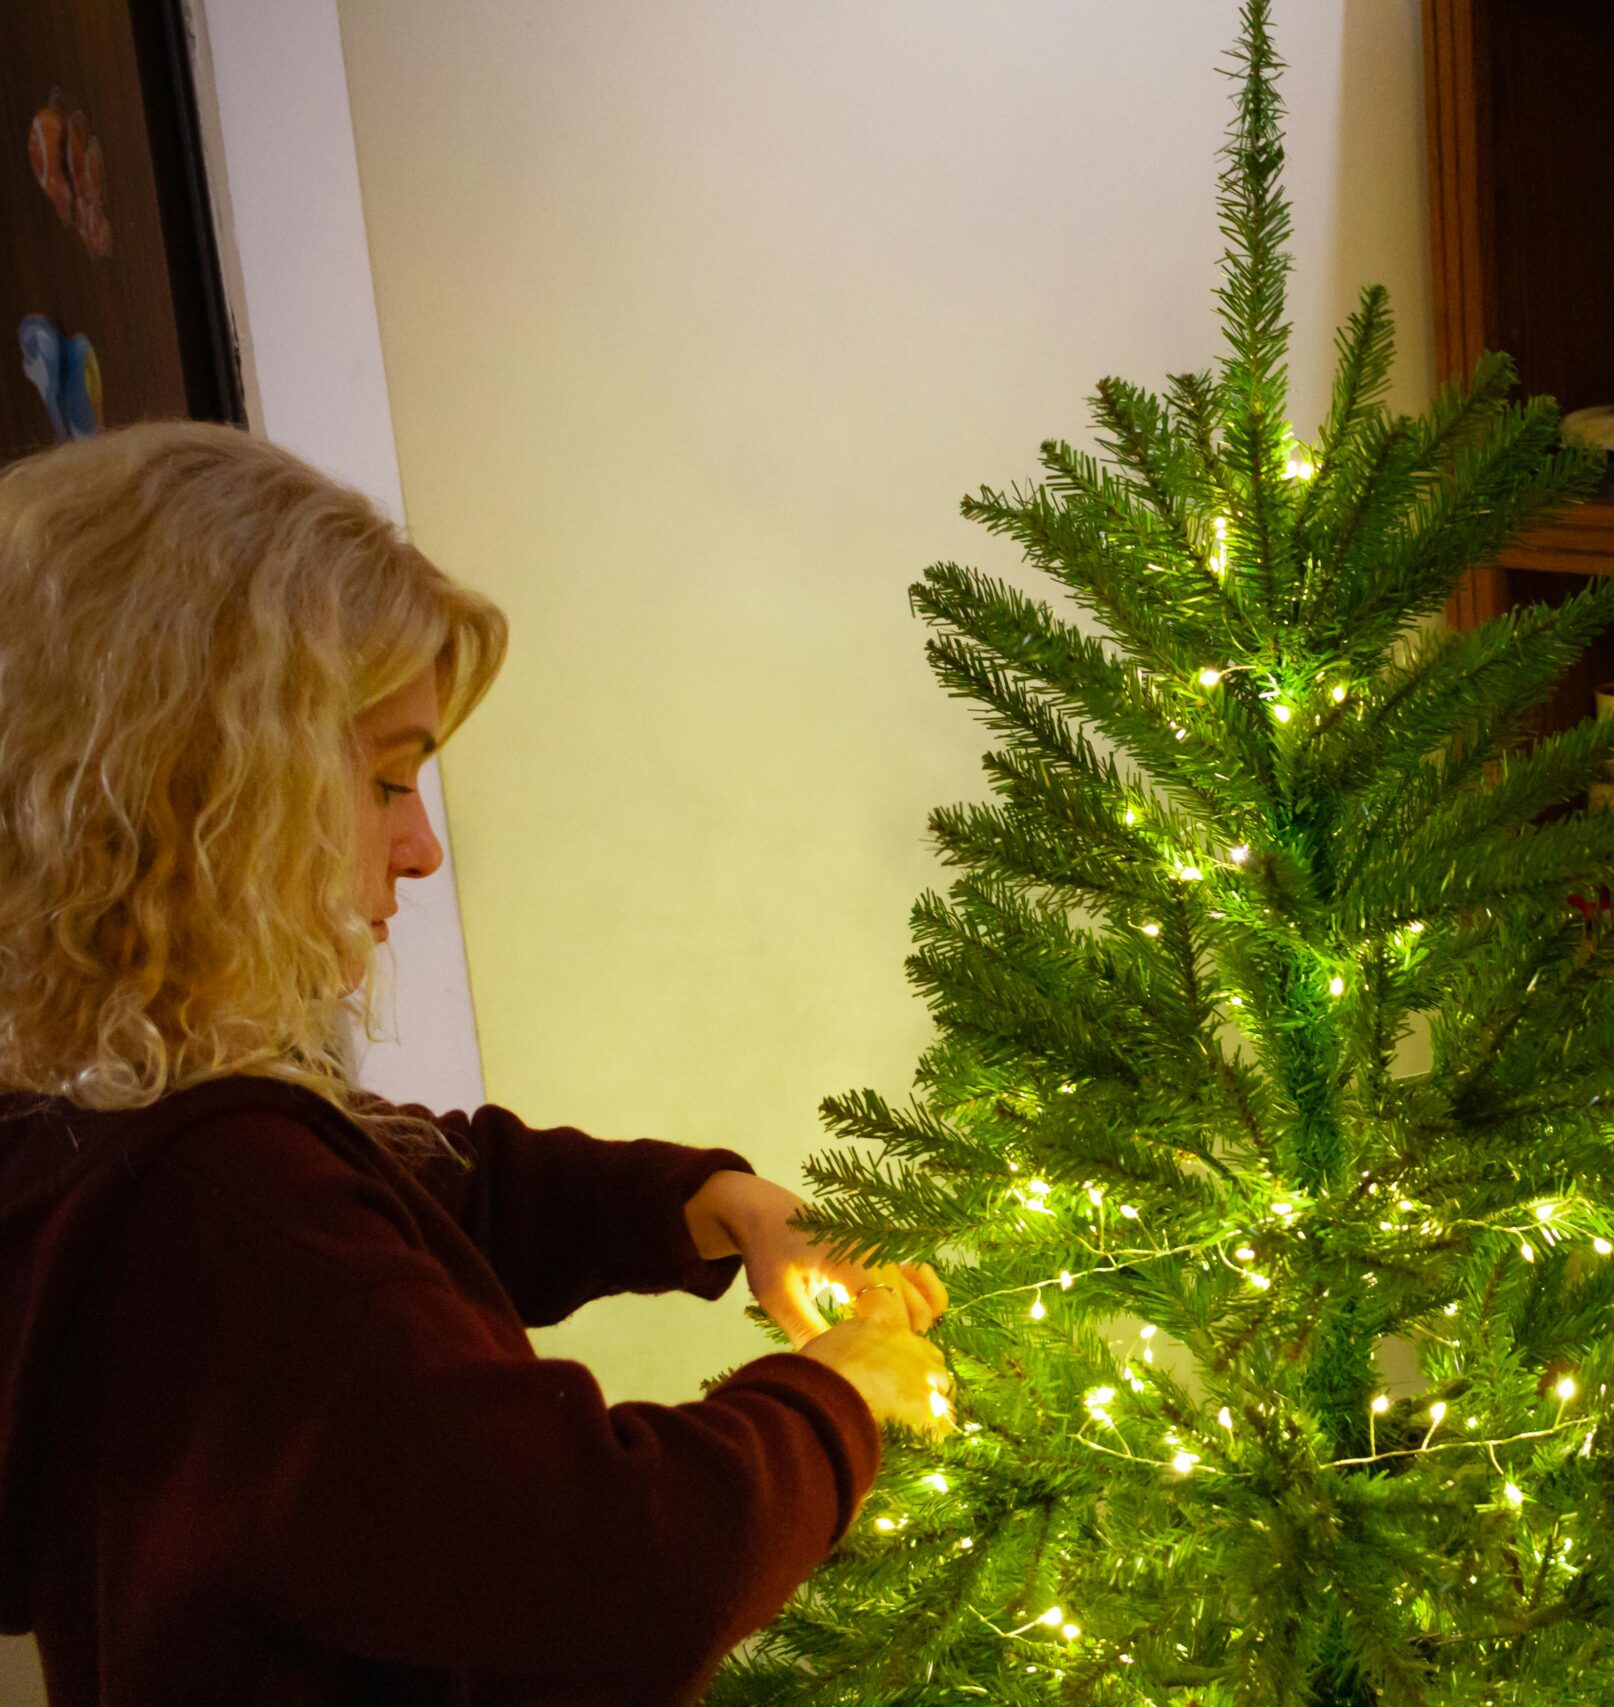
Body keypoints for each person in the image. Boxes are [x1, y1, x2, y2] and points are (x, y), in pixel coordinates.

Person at [0, 423, 951, 1705]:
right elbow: (627, 1569)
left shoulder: (102, 1125)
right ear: (212, 786)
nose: (420, 848)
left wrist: (705, 1207)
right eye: (389, 780)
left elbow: (424, 1187)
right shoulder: (223, 1211)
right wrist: (838, 1398)